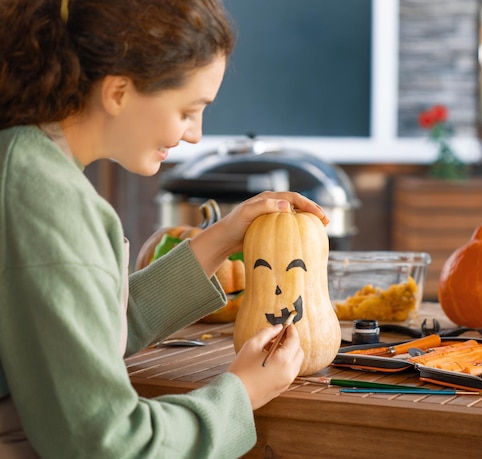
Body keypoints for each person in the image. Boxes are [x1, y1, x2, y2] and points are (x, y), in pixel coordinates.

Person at [0, 0, 329, 457]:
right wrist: (240, 394)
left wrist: (223, 236)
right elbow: (106, 443)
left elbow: (81, 331)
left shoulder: (24, 160)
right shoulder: (45, 199)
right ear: (118, 92)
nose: (195, 134)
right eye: (188, 110)